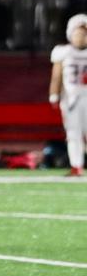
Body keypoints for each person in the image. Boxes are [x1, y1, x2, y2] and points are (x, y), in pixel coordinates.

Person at [49, 14, 87, 177]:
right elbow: (56, 75)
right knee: (73, 133)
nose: (81, 37)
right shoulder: (62, 52)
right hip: (71, 98)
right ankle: (76, 166)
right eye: (78, 33)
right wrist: (54, 94)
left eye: (84, 33)